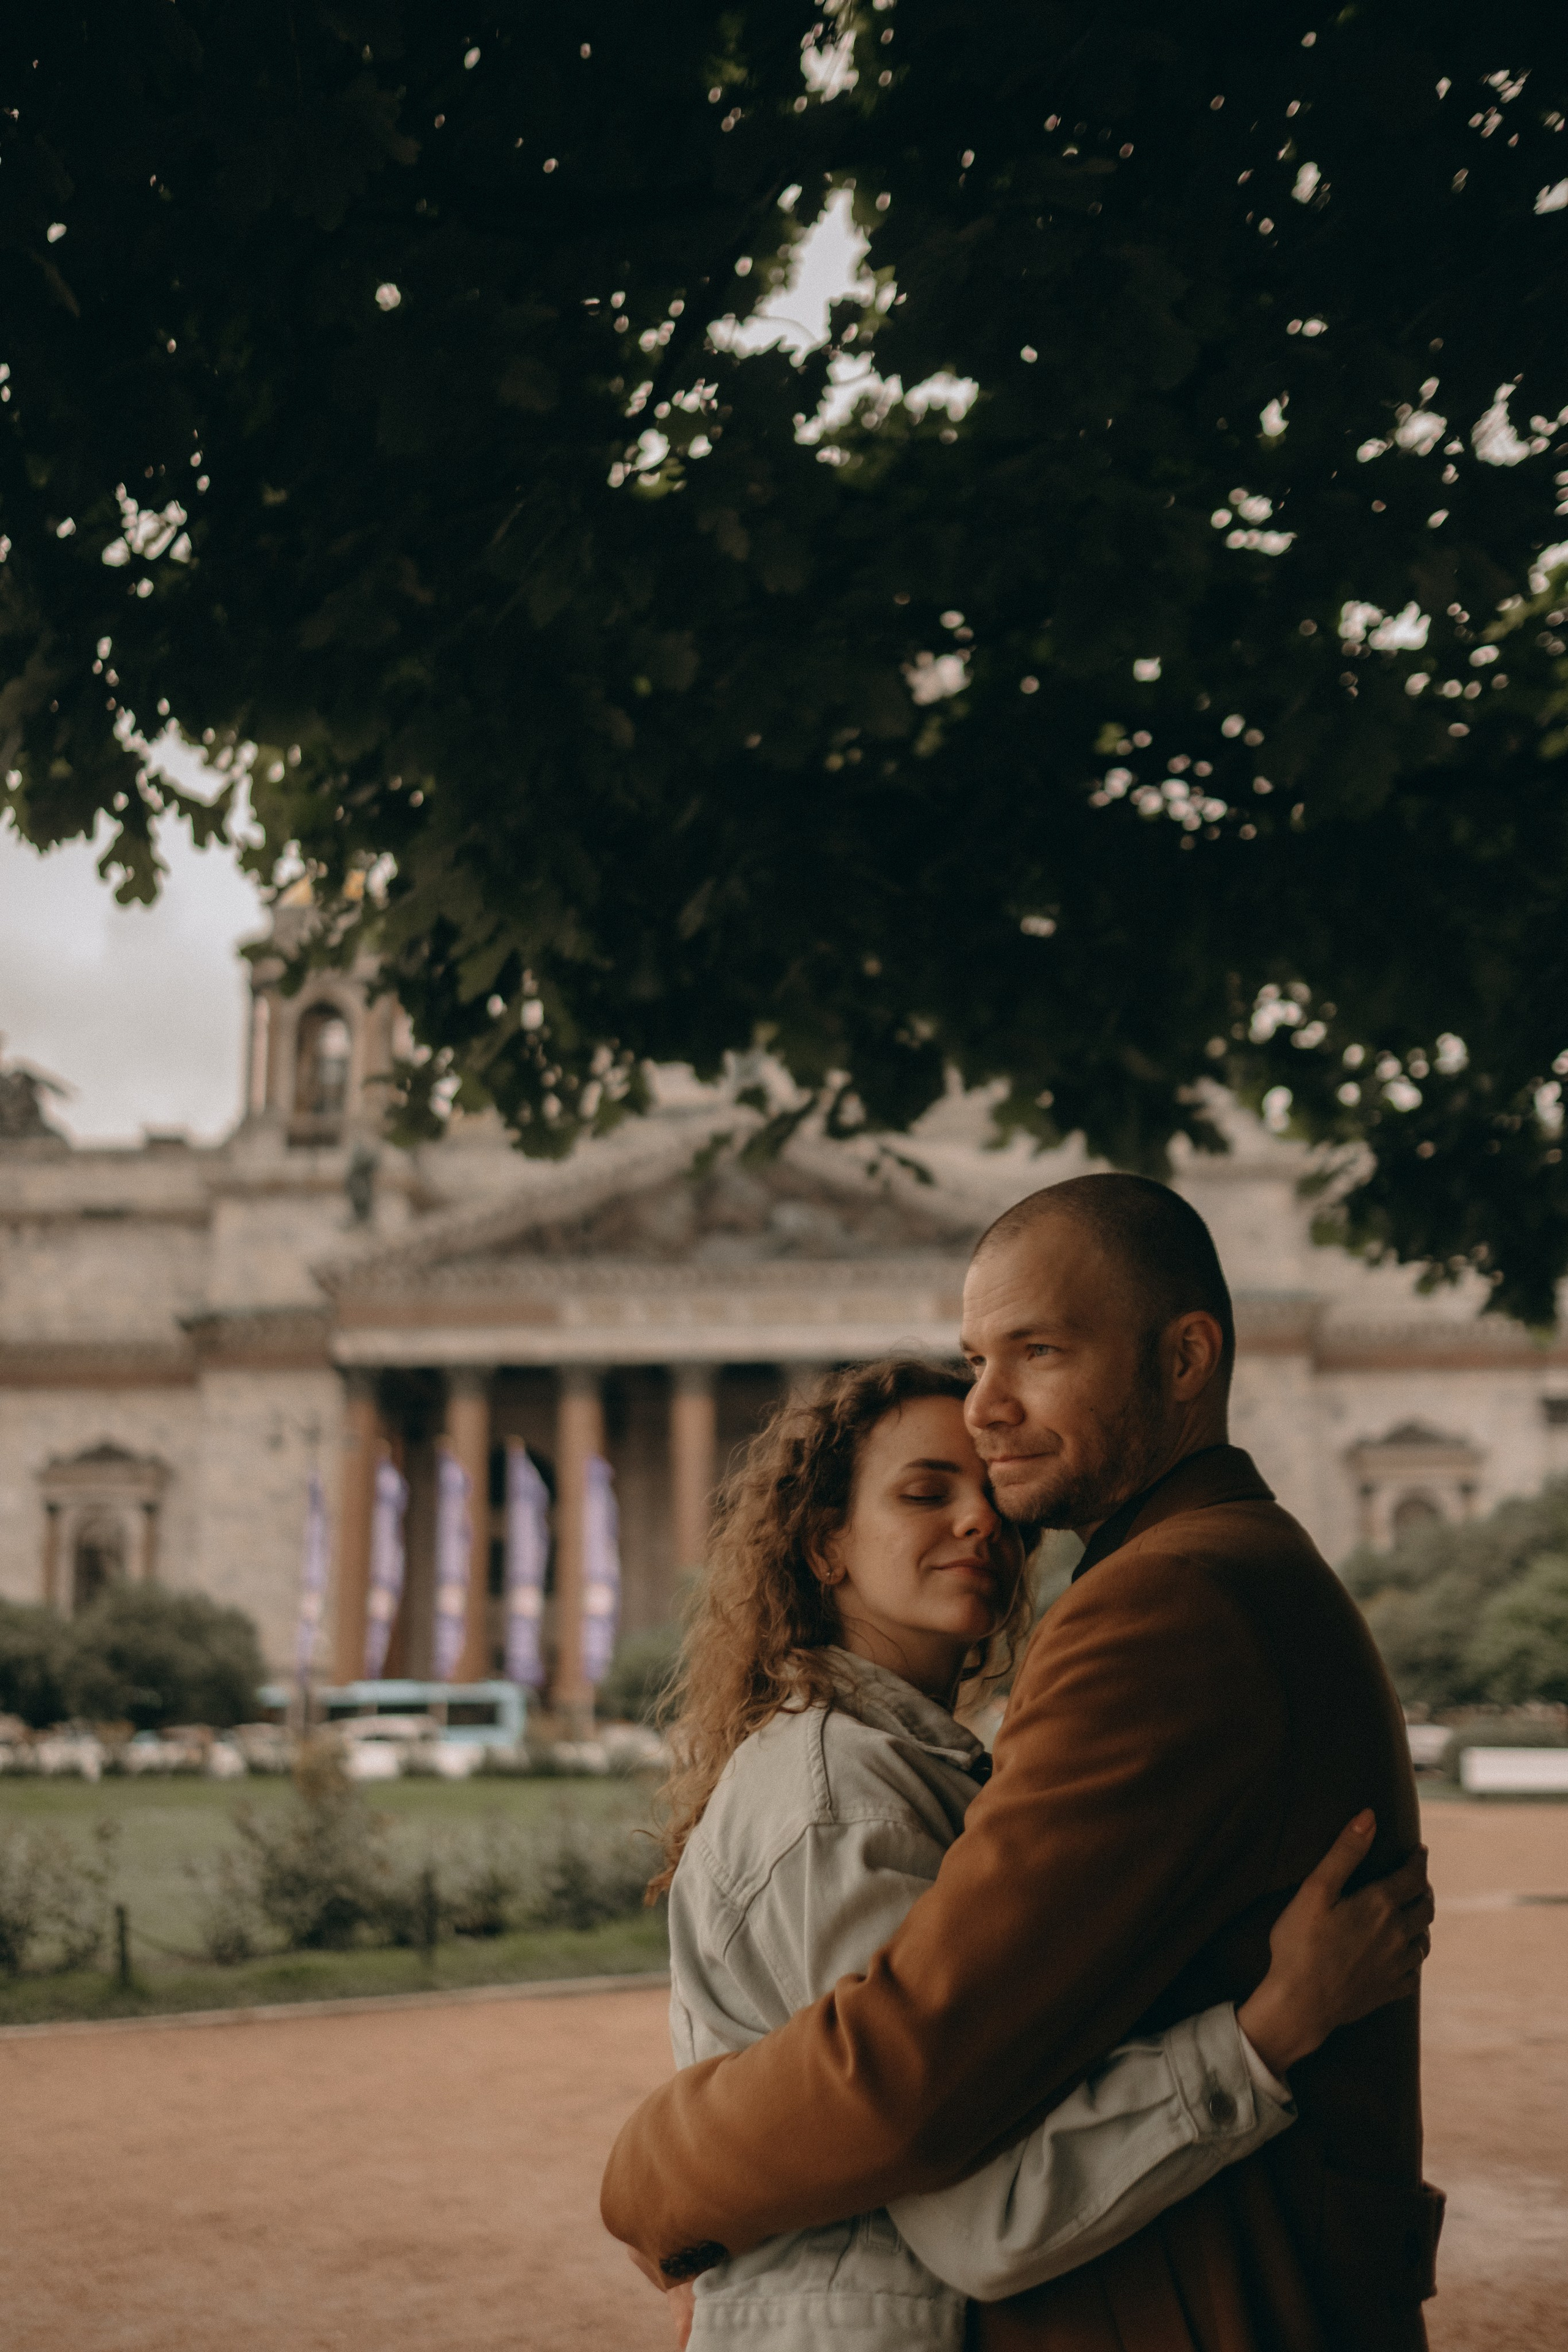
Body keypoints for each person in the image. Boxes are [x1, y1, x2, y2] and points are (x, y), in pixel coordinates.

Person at [604, 1174, 1443, 2352]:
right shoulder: (847, 1770)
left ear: (1186, 1357)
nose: (988, 1422)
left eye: (1036, 1352)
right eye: (976, 1359)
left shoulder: (1161, 1603)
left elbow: (907, 2078)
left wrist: (657, 2168)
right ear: (823, 1542)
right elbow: (921, 2091)